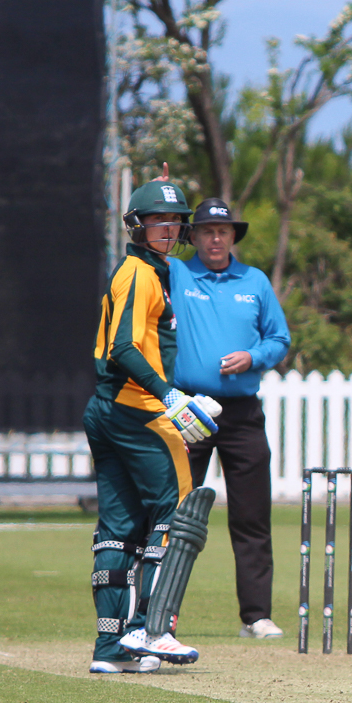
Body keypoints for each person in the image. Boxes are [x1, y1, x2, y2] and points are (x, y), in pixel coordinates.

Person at [84, 169, 224, 672]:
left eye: (174, 221)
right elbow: (123, 347)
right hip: (136, 408)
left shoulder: (146, 271)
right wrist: (170, 398)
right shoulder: (140, 273)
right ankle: (152, 628)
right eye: (156, 221)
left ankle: (111, 649)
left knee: (119, 528)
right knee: (180, 509)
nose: (167, 229)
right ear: (136, 226)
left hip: (107, 408)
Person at [170, 198, 291, 639]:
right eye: (206, 231)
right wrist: (158, 197)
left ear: (232, 237)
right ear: (194, 236)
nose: (216, 238)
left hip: (242, 412)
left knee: (252, 514)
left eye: (223, 232)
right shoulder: (178, 274)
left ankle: (255, 616)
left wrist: (253, 356)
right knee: (175, 511)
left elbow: (279, 338)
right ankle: (161, 615)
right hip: (190, 409)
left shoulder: (254, 281)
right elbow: (143, 252)